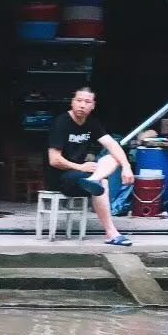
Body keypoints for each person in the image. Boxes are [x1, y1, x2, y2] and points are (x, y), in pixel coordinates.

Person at [46, 87, 134, 247]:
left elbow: (112, 144)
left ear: (93, 106)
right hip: (60, 177)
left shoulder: (92, 123)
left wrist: (127, 167)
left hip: (82, 176)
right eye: (79, 101)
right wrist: (81, 168)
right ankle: (112, 233)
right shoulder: (61, 122)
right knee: (103, 182)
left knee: (112, 157)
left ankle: (94, 179)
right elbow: (54, 160)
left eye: (87, 102)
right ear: (72, 102)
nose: (82, 105)